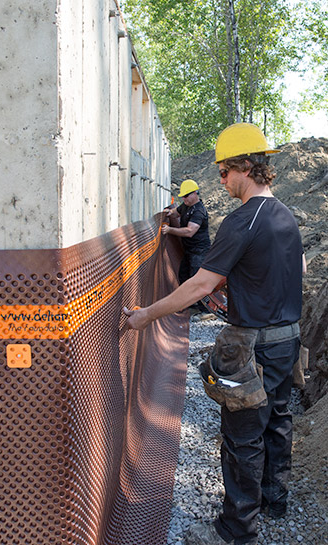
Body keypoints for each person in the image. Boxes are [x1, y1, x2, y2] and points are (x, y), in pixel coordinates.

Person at [123, 123, 306, 545]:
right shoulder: (284, 215)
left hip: (254, 346)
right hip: (287, 340)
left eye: (223, 172)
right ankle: (274, 500)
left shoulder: (243, 219)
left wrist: (146, 315)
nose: (221, 181)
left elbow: (200, 285)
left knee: (243, 435)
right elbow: (293, 271)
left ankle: (235, 529)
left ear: (244, 166)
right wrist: (247, 288)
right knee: (277, 419)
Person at [162, 179, 211, 287]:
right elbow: (176, 212)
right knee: (184, 275)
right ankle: (189, 302)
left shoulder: (199, 211)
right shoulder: (186, 205)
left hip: (199, 252)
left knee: (196, 279)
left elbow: (190, 231)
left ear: (194, 193)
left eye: (186, 196)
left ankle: (199, 303)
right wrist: (169, 213)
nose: (183, 199)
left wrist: (170, 230)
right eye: (182, 196)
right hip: (189, 250)